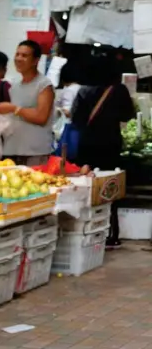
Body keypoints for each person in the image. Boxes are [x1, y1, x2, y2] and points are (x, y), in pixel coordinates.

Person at [71, 55, 136, 250]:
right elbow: (127, 115)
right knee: (110, 188)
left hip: (87, 145)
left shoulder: (83, 91)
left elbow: (76, 118)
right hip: (110, 145)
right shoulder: (118, 90)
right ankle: (110, 233)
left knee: (87, 186)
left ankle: (84, 231)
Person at [0, 40, 55, 166]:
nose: (18, 58)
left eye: (24, 55)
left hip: (35, 153)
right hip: (12, 150)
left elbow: (41, 117)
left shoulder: (44, 85)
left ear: (35, 60)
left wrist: (14, 109)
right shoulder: (15, 85)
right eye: (17, 54)